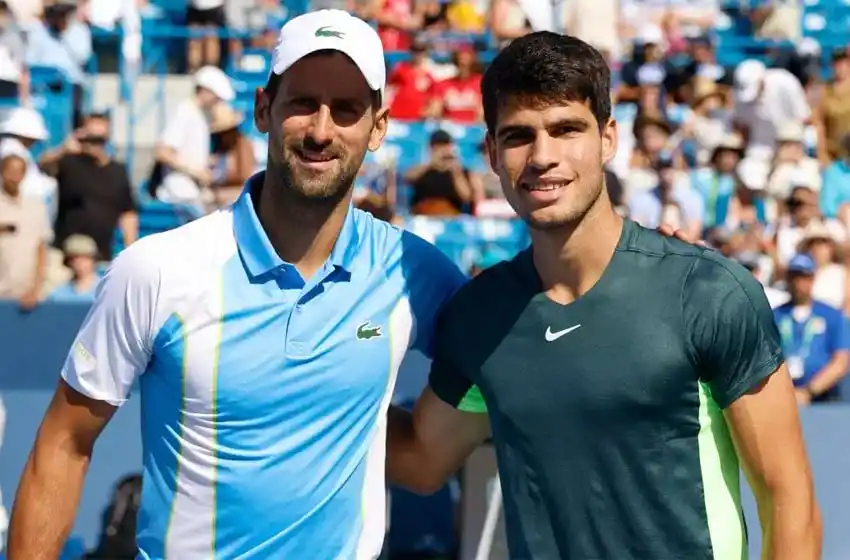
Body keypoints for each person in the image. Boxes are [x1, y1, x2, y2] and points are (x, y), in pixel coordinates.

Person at [7, 10, 468, 559]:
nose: (321, 131)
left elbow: (507, 354)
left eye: (345, 110)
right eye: (302, 103)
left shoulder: (412, 269)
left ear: (379, 127)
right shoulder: (157, 269)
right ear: (263, 109)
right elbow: (64, 442)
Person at [387, 32, 821, 560]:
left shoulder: (706, 291)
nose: (543, 156)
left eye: (566, 129)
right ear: (492, 153)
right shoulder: (481, 313)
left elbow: (787, 499)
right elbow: (421, 460)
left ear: (608, 138)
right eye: (519, 135)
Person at [773, 253, 850, 404]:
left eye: (803, 277)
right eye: (793, 277)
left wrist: (809, 391)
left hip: (824, 398)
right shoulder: (775, 316)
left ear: (813, 279)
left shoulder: (831, 315)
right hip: (782, 397)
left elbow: (841, 361)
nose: (798, 283)